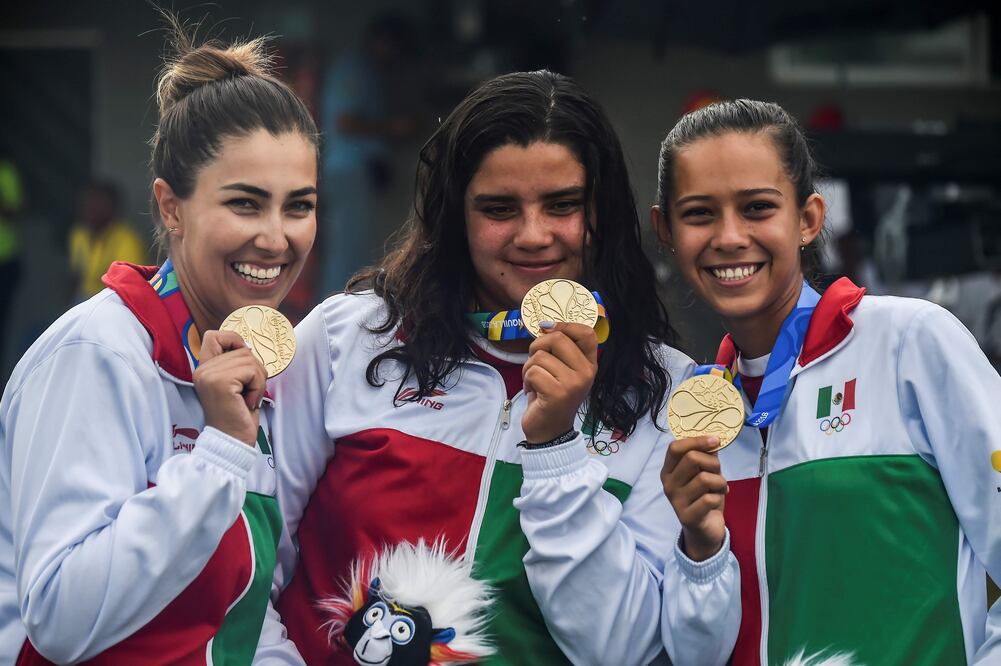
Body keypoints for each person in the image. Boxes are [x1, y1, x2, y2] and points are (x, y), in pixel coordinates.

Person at [271, 70, 712, 664]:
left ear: (601, 214)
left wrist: (556, 447)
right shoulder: (345, 338)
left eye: (562, 206)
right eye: (500, 208)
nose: (534, 236)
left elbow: (624, 650)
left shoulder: (665, 393)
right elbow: (249, 564)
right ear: (456, 217)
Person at [0, 21, 318, 664]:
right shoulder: (97, 356)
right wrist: (220, 453)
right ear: (171, 208)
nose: (278, 238)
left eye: (299, 206)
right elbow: (59, 617)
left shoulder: (258, 364)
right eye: (246, 204)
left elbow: (247, 613)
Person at [653, 99, 1001, 665]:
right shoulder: (694, 413)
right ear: (665, 230)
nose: (729, 237)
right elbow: (696, 655)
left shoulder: (909, 343)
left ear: (809, 219)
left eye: (758, 207)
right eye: (699, 214)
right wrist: (701, 547)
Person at [317, 14, 416, 296]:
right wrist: (391, 127)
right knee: (346, 248)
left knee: (357, 245)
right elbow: (344, 122)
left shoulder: (369, 71)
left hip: (358, 171)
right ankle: (335, 308)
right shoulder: (353, 70)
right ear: (381, 41)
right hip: (347, 170)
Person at [68, 180, 148, 303]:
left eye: (98, 203)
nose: (91, 208)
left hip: (113, 302)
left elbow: (129, 290)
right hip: (83, 299)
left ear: (113, 208)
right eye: (88, 202)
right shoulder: (79, 234)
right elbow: (75, 275)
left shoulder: (127, 241)